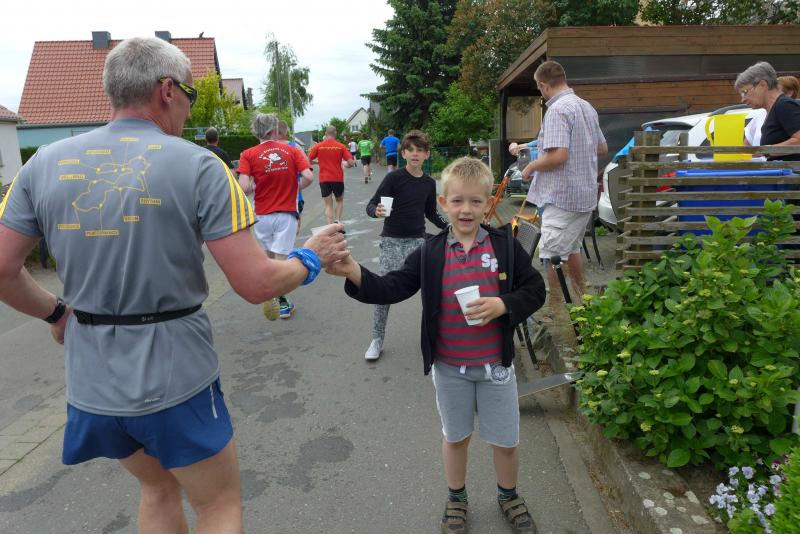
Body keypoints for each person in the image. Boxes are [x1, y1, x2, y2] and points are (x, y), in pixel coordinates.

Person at [0, 36, 348, 534]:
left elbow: (3, 268)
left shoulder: (43, 163)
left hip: (93, 383)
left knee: (157, 489)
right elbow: (255, 283)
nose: (188, 106)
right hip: (174, 378)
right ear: (167, 90)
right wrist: (311, 257)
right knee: (218, 504)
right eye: (189, 93)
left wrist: (57, 313)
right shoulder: (200, 165)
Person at [327, 157, 546, 534]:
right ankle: (456, 498)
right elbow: (392, 286)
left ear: (488, 203)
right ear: (443, 203)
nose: (466, 209)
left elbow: (535, 289)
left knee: (506, 441)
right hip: (449, 369)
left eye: (476, 201)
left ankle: (508, 495)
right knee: (456, 438)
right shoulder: (431, 252)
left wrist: (503, 304)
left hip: (496, 366)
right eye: (457, 201)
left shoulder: (505, 246)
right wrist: (353, 271)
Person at [520, 60, 607, 309]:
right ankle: (582, 301)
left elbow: (559, 155)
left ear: (544, 85)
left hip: (562, 196)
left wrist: (531, 167)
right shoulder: (586, 107)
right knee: (572, 248)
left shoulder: (557, 110)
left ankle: (557, 310)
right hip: (584, 194)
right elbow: (602, 148)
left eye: (539, 88)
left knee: (552, 254)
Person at [363, 130, 449, 361]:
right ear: (403, 154)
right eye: (410, 150)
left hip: (418, 242)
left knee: (432, 289)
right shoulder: (394, 179)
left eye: (420, 150)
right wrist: (376, 211)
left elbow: (431, 213)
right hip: (392, 242)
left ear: (427, 155)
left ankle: (435, 337)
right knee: (384, 292)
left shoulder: (429, 183)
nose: (415, 154)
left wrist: (450, 227)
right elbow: (371, 205)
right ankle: (377, 339)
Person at [238, 113, 316, 319]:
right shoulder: (292, 149)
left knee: (268, 257)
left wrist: (255, 185)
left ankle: (272, 294)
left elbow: (243, 187)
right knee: (281, 260)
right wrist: (295, 187)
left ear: (255, 132)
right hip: (286, 214)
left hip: (261, 215)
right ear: (274, 130)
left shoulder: (247, 154)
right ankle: (282, 302)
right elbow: (309, 176)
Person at [736, 62, 800, 161]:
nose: (743, 100)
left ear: (763, 85)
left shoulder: (784, 105)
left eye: (744, 92)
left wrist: (765, 151)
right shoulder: (773, 109)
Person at [308, 125, 355, 224]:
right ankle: (337, 221)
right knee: (339, 201)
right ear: (335, 133)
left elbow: (307, 160)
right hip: (337, 178)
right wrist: (345, 164)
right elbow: (351, 163)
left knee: (328, 205)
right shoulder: (341, 146)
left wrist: (317, 162)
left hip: (324, 179)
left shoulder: (318, 146)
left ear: (325, 133)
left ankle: (330, 227)